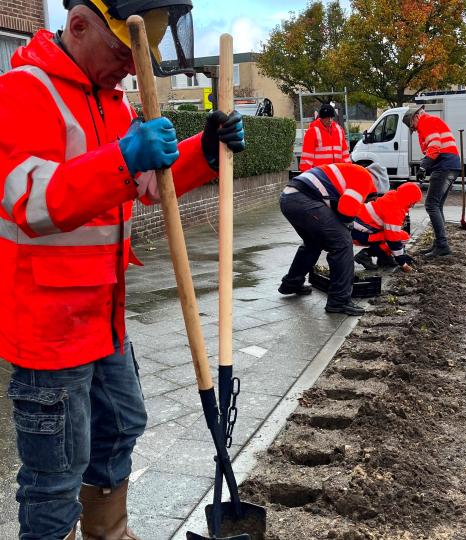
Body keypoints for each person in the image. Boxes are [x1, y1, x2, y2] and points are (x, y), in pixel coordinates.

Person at [0, 1, 246, 538]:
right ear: (78, 26)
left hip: (102, 318)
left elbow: (148, 184)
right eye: (122, 51)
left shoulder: (112, 105)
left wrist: (202, 150)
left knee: (120, 427)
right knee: (55, 472)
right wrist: (123, 158)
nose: (133, 67)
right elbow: (31, 201)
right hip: (49, 330)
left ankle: (109, 532)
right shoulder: (22, 92)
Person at [278, 163, 385, 316]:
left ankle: (291, 283)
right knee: (342, 244)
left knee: (313, 243)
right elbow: (346, 210)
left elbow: (339, 207)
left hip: (289, 198)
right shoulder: (366, 179)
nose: (368, 202)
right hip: (304, 200)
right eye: (373, 198)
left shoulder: (353, 173)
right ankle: (339, 301)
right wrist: (346, 225)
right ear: (377, 187)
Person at [402, 105, 461, 258]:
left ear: (416, 117)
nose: (413, 129)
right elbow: (435, 147)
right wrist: (425, 166)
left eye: (412, 126)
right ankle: (439, 243)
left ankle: (442, 245)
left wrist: (423, 167)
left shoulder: (426, 122)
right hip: (450, 164)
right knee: (437, 205)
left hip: (444, 165)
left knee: (431, 204)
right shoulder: (431, 121)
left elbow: (435, 145)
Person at [352, 182, 422, 272]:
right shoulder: (395, 210)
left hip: (356, 228)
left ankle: (383, 258)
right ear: (409, 199)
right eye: (414, 202)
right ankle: (365, 255)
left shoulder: (393, 197)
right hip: (357, 233)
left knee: (395, 235)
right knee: (401, 237)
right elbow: (393, 240)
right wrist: (403, 263)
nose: (413, 205)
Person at [299, 103, 351, 172]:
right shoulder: (312, 131)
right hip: (320, 174)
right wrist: (306, 176)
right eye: (327, 118)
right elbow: (307, 157)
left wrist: (348, 169)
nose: (329, 120)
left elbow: (345, 153)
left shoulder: (339, 130)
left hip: (337, 173)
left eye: (331, 117)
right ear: (321, 118)